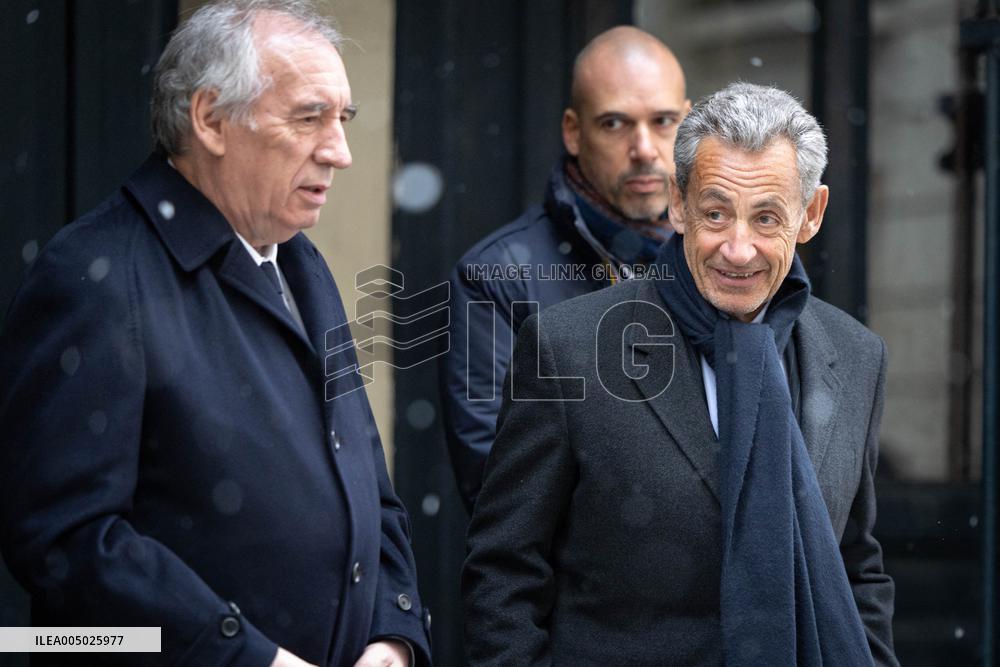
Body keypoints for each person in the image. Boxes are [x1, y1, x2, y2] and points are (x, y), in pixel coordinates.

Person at [0, 2, 430, 665]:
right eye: (309, 117)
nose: (340, 152)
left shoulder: (297, 258)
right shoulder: (94, 275)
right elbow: (63, 541)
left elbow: (367, 484)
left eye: (341, 120)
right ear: (209, 119)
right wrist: (251, 657)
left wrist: (392, 635)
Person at [462, 83, 898, 666]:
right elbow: (504, 574)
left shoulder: (855, 356)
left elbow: (856, 567)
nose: (737, 249)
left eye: (766, 218)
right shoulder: (568, 349)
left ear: (810, 215)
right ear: (678, 204)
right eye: (716, 213)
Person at [441, 26, 691, 511]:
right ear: (574, 131)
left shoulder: (722, 257)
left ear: (688, 122)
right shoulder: (496, 278)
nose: (644, 148)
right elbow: (501, 489)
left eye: (662, 121)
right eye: (616, 124)